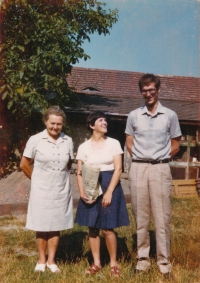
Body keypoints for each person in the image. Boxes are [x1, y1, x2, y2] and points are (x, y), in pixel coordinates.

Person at [125, 74, 182, 278]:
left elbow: (176, 142)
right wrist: (140, 157)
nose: (148, 94)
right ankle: (142, 260)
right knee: (141, 215)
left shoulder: (170, 115)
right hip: (139, 169)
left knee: (161, 216)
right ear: (141, 92)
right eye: (144, 90)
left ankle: (164, 263)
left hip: (160, 169)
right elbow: (129, 141)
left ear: (158, 90)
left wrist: (161, 156)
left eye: (151, 90)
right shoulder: (133, 115)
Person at [75, 111, 130, 277]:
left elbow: (118, 168)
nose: (105, 122)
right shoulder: (83, 147)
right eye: (100, 120)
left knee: (107, 228)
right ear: (92, 125)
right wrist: (82, 192)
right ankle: (96, 263)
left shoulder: (113, 143)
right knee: (92, 228)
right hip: (90, 185)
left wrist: (109, 192)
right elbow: (79, 172)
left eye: (105, 120)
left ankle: (114, 264)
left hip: (109, 183)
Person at [20, 106, 74, 273]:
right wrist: (37, 179)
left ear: (62, 124)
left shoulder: (68, 140)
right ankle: (41, 260)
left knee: (56, 224)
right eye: (52, 123)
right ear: (45, 121)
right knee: (42, 224)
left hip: (61, 189)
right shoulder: (35, 139)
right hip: (41, 189)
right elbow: (24, 164)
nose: (55, 127)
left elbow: (68, 164)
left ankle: (52, 261)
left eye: (59, 124)